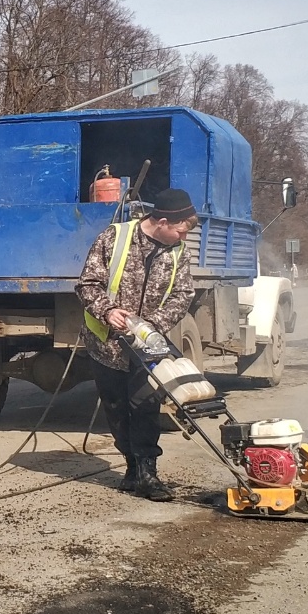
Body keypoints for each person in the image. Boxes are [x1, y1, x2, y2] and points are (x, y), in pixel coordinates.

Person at [76, 188, 198, 501]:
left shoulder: (177, 252)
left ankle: (148, 473)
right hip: (107, 344)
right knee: (115, 407)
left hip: (147, 346)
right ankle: (131, 468)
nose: (182, 237)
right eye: (180, 230)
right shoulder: (113, 238)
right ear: (162, 221)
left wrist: (151, 326)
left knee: (146, 405)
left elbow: (183, 294)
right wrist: (107, 311)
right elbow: (87, 284)